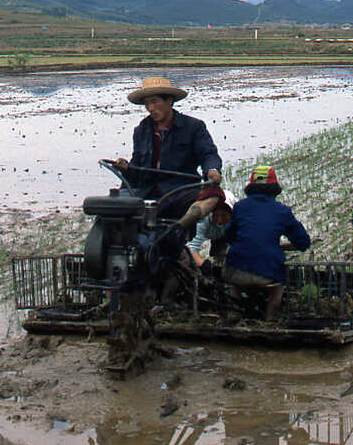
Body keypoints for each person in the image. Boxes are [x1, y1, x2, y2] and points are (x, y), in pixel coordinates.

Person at [113, 76, 223, 223]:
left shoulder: (193, 127)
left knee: (214, 195)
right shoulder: (141, 130)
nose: (150, 108)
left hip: (180, 191)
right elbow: (137, 168)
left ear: (169, 101)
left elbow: (208, 154)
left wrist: (212, 170)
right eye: (147, 104)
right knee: (110, 205)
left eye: (154, 102)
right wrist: (126, 168)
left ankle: (182, 227)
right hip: (146, 192)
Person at [223, 166, 311, 321]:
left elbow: (228, 235)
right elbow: (303, 242)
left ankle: (234, 311)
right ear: (274, 188)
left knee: (234, 283)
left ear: (251, 186)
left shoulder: (239, 207)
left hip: (235, 270)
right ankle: (270, 317)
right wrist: (280, 247)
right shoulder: (282, 211)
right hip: (268, 272)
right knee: (278, 287)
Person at [186, 190, 236, 268]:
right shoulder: (203, 219)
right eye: (216, 215)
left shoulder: (238, 217)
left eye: (224, 215)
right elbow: (192, 249)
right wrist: (204, 266)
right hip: (212, 232)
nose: (219, 221)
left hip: (224, 236)